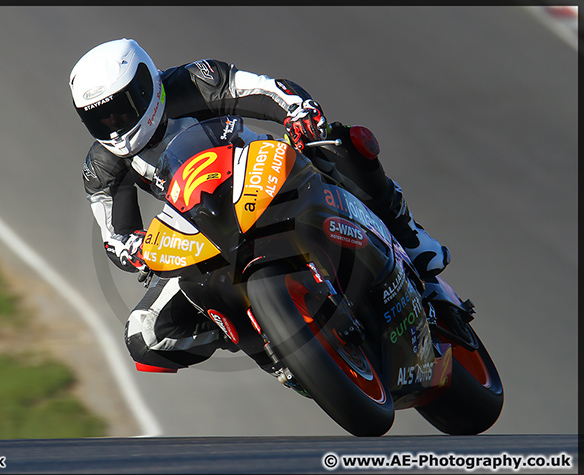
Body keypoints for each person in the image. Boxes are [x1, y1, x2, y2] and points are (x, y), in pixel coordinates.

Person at [69, 38, 450, 378]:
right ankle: (269, 344)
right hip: (204, 228)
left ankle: (409, 237)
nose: (115, 124)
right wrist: (134, 250)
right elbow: (114, 234)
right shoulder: (103, 168)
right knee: (144, 334)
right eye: (101, 118)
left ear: (145, 82)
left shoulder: (194, 81)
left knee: (337, 142)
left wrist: (299, 114)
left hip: (265, 176)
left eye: (122, 108)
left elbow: (269, 92)